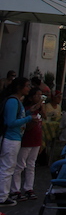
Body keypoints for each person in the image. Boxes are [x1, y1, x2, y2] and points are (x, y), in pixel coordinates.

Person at [0, 78, 35, 206]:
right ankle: (2, 196)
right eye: (26, 86)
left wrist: (29, 112)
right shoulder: (13, 101)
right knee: (7, 167)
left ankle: (4, 193)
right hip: (10, 138)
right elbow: (10, 122)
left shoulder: (17, 102)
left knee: (9, 166)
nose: (29, 88)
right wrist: (28, 118)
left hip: (15, 138)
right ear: (19, 87)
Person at [10, 87, 44, 201]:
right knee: (20, 165)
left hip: (36, 140)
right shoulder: (26, 110)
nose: (39, 97)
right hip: (27, 140)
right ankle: (15, 189)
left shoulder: (38, 111)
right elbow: (27, 127)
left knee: (31, 164)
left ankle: (29, 187)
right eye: (37, 95)